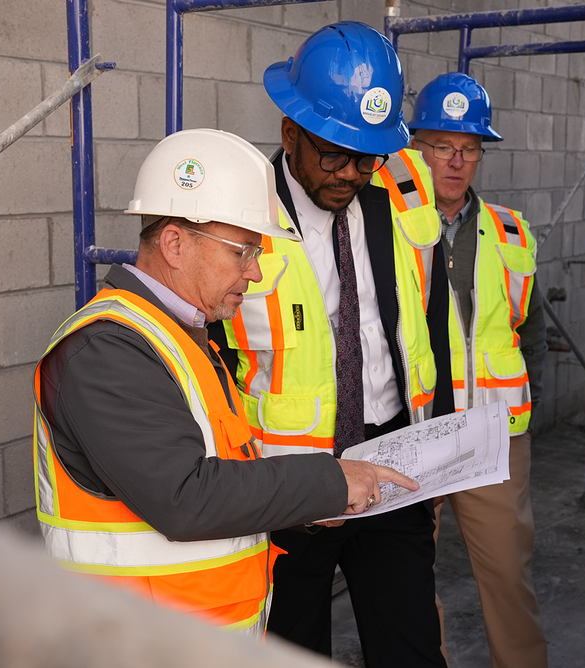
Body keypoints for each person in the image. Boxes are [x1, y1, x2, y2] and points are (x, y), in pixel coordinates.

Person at [32, 127, 420, 639]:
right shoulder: (107, 351)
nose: (256, 274)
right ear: (174, 243)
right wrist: (330, 481)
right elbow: (185, 496)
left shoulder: (183, 338)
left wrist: (315, 502)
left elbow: (228, 471)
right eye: (244, 252)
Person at [209, 22, 453, 667]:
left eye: (367, 157)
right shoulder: (238, 217)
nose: (353, 173)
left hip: (394, 456)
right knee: (292, 645)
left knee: (410, 645)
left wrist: (446, 436)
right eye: (335, 155)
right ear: (290, 132)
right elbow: (209, 359)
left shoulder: (397, 192)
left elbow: (429, 318)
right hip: (287, 477)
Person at [409, 72, 549, 668]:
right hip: (414, 433)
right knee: (408, 580)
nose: (456, 161)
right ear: (415, 149)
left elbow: (533, 331)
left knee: (508, 578)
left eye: (468, 149)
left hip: (494, 436)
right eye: (442, 146)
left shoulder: (511, 231)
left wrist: (522, 409)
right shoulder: (385, 225)